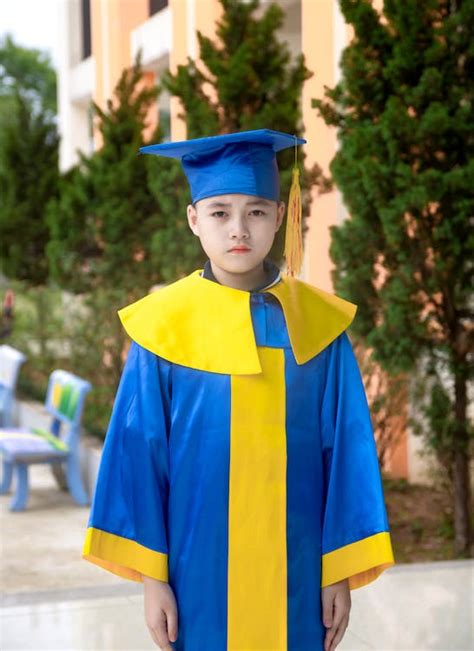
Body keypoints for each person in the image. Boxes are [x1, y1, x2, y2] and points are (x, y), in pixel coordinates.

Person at [82, 129, 395, 651]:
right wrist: (153, 579)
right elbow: (139, 458)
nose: (238, 230)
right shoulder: (164, 330)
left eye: (255, 211)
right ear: (193, 220)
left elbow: (347, 457)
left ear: (279, 215)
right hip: (197, 568)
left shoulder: (317, 328)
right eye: (220, 212)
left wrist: (337, 568)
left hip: (297, 569)